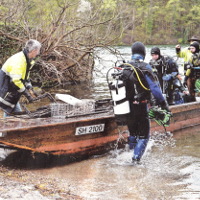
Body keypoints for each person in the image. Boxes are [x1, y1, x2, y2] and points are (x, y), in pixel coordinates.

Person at [116, 42, 170, 163]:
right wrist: (163, 103)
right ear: (144, 53)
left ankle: (129, 154)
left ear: (132, 52)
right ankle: (135, 160)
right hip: (141, 105)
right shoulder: (146, 67)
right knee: (144, 136)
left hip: (127, 107)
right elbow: (155, 88)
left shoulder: (124, 66)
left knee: (133, 133)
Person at [0, 39, 42, 116]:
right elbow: (16, 80)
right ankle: (7, 127)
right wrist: (26, 93)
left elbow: (26, 76)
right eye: (38, 51)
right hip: (6, 88)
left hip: (12, 89)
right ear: (34, 50)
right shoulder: (19, 60)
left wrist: (30, 88)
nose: (38, 53)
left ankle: (10, 126)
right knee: (9, 110)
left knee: (13, 111)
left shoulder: (27, 59)